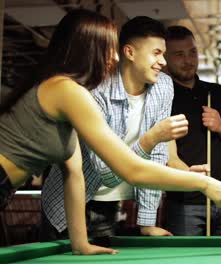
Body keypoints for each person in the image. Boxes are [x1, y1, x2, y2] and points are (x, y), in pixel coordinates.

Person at [0, 10, 221, 255]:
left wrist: (81, 245)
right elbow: (129, 169)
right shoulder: (69, 91)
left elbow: (74, 173)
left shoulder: (69, 91)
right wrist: (203, 183)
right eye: (109, 48)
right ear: (88, 49)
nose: (114, 56)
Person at [40, 16, 182, 244]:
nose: (163, 61)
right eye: (156, 53)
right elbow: (107, 171)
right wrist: (151, 138)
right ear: (129, 52)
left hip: (111, 205)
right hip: (69, 205)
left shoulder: (163, 86)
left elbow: (156, 156)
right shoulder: (98, 89)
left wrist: (147, 222)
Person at [163, 25, 221, 235]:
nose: (188, 60)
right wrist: (198, 182)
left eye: (192, 52)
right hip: (185, 203)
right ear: (166, 57)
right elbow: (167, 157)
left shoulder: (217, 92)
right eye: (179, 54)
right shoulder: (162, 96)